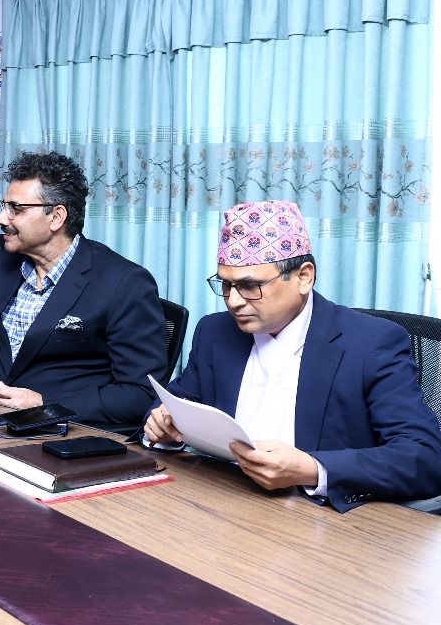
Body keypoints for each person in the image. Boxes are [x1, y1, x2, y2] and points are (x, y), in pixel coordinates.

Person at [144, 201, 441, 511]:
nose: (233, 301)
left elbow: (425, 458)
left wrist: (312, 469)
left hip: (322, 517)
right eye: (226, 284)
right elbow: (175, 401)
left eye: (250, 286)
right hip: (226, 500)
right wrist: (162, 423)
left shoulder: (370, 343)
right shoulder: (215, 332)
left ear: (304, 277)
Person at [0, 151, 165, 430]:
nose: (1, 218)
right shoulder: (4, 265)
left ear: (56, 217)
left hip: (66, 435)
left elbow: (141, 394)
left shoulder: (125, 284)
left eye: (16, 209)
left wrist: (46, 404)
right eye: (4, 206)